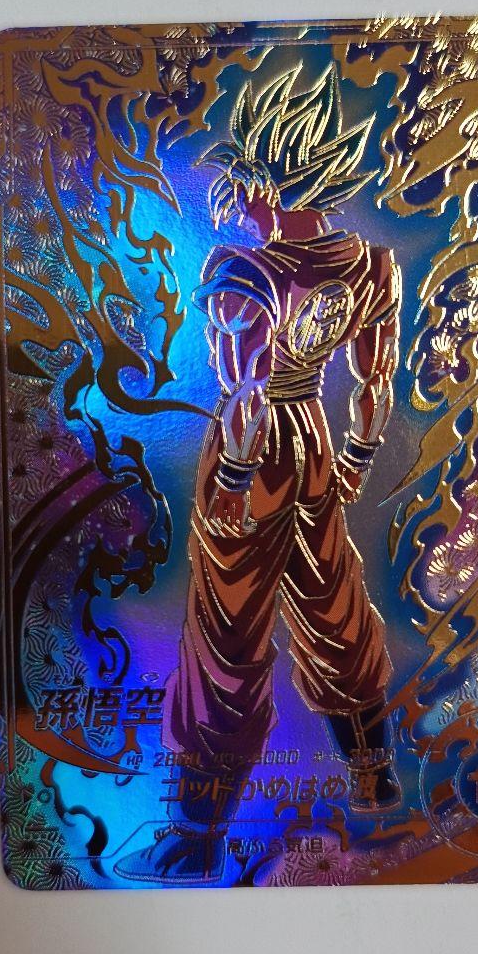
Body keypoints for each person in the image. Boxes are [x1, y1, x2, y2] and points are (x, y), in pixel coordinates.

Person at [115, 64, 401, 884]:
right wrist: (353, 459)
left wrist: (236, 483)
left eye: (245, 174)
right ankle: (375, 780)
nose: (234, 192)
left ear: (275, 181)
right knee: (334, 603)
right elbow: (374, 385)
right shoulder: (372, 265)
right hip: (315, 440)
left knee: (227, 634)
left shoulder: (242, 271)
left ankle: (196, 835)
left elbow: (244, 392)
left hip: (257, 450)